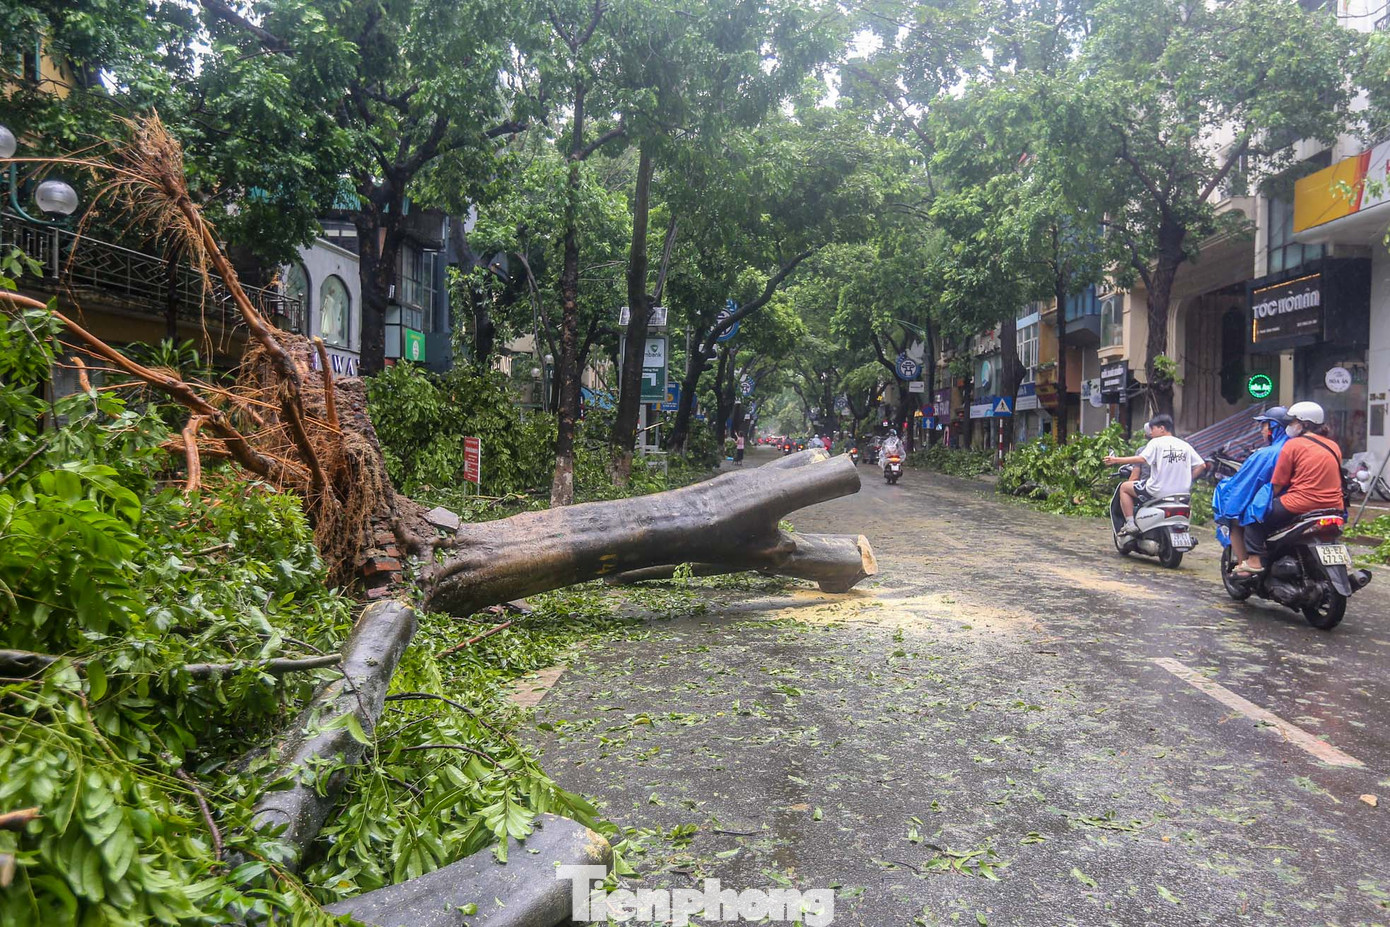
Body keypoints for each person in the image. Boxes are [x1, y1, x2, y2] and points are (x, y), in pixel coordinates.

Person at [1237, 401, 1344, 576]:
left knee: (1253, 514)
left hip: (1301, 504)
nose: (1290, 426)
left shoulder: (1293, 445)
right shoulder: (1333, 446)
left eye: (1293, 422)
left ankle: (1254, 561)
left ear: (1304, 424)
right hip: (1334, 506)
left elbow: (1278, 483)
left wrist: (1264, 500)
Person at [1103, 414, 1206, 536]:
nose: (1151, 433)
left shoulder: (1156, 442)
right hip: (1182, 493)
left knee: (1124, 487)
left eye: (1152, 429)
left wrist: (1116, 460)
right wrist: (1187, 479)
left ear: (1162, 428)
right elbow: (1201, 465)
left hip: (1158, 490)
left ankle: (1130, 524)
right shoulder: (1184, 445)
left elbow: (1141, 459)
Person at [1212, 407, 1290, 564]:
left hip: (1280, 504)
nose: (1261, 430)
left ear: (1273, 427)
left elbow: (1244, 485)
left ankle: (1246, 564)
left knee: (1236, 519)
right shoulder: (1300, 448)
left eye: (1263, 425)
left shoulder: (1267, 454)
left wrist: (1225, 490)